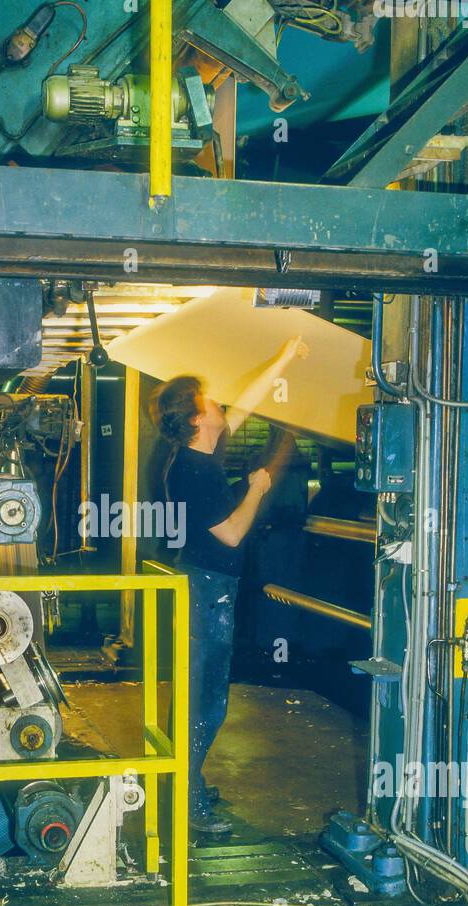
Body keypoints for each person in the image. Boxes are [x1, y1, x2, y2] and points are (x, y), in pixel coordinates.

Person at [149, 335, 309, 835]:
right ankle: (187, 801)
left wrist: (285, 357)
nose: (221, 406)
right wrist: (257, 489)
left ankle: (185, 781)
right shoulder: (197, 472)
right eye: (210, 402)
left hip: (207, 585)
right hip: (205, 590)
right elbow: (235, 533)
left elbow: (246, 403)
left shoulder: (200, 455)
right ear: (199, 420)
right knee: (206, 701)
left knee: (204, 695)